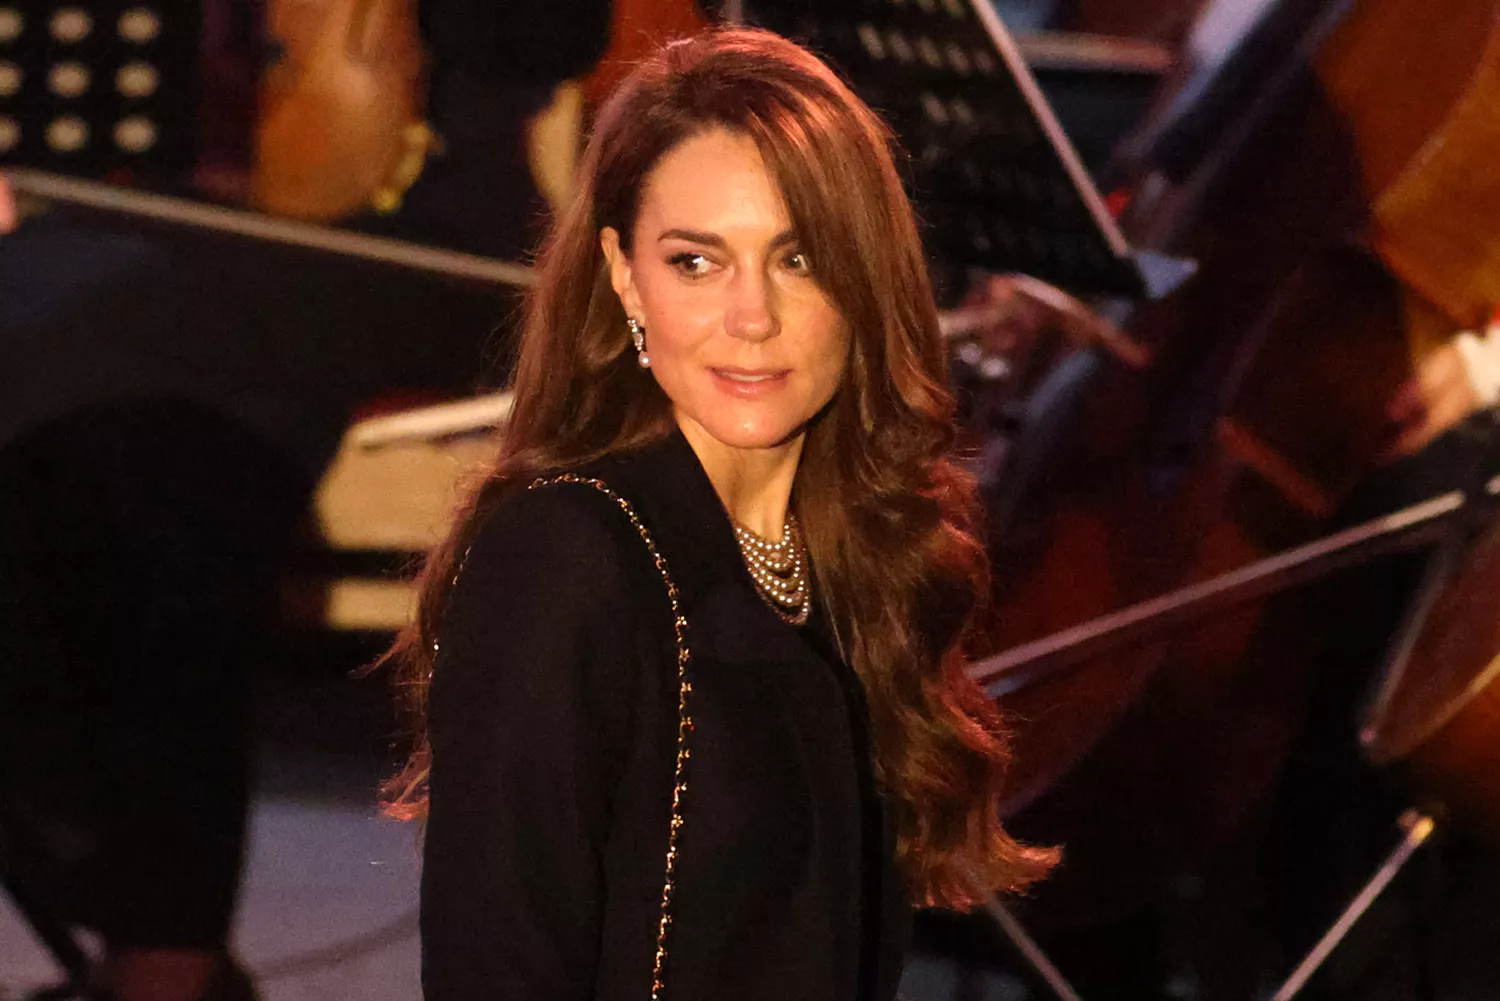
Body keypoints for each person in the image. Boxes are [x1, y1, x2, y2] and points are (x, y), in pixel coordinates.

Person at [381, 27, 1057, 1001]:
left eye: (798, 259)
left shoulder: (853, 557)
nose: (752, 316)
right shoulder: (565, 557)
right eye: (697, 262)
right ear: (625, 276)